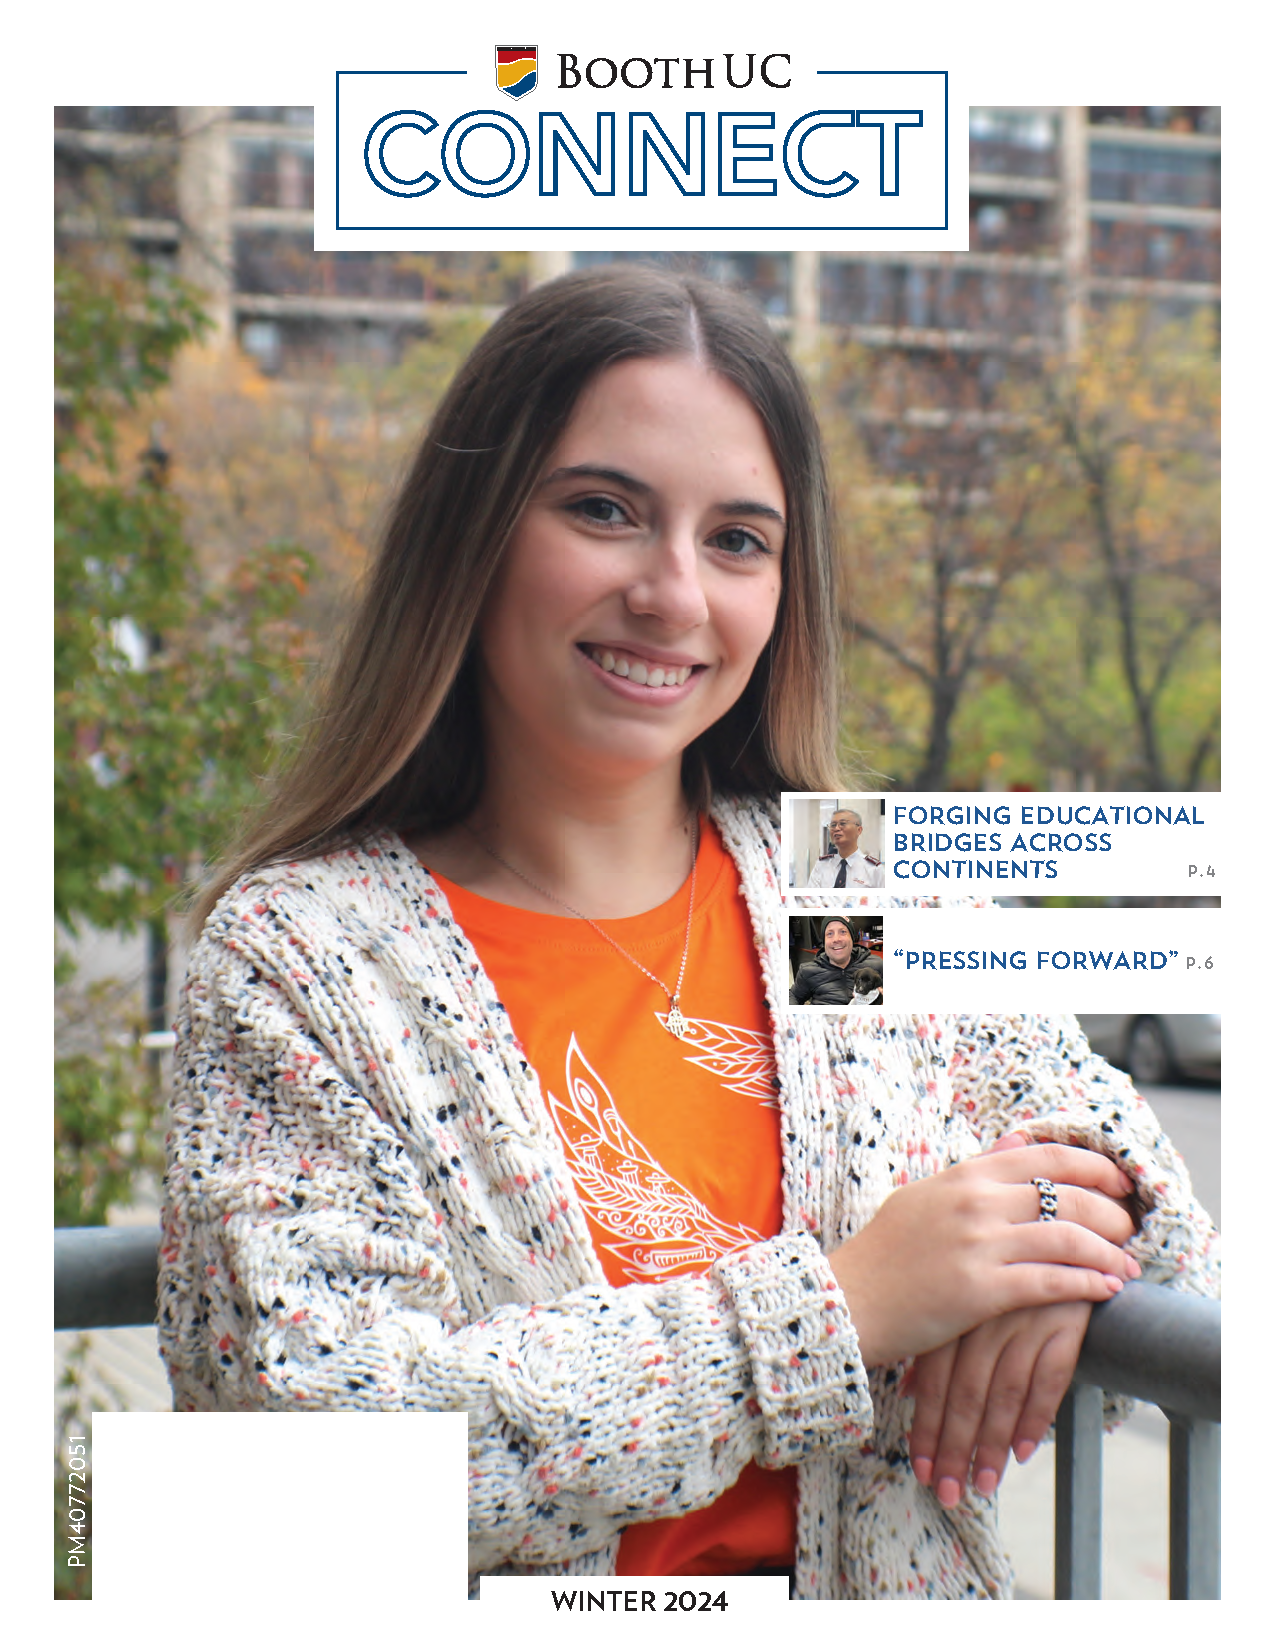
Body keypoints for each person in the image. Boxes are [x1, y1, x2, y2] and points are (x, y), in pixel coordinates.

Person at [159, 265, 1217, 1600]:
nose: (672, 594)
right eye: (603, 510)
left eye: (735, 539)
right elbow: (302, 1450)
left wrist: (1056, 1222)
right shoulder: (304, 958)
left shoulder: (844, 893)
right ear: (472, 532)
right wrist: (842, 1307)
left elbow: (1179, 1256)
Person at [789, 917, 871, 1004]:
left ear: (852, 937)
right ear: (824, 942)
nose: (836, 939)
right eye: (830, 934)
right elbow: (793, 996)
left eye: (843, 932)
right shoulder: (808, 971)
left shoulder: (876, 965)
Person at [805, 807, 885, 888]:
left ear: (859, 830)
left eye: (843, 824)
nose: (836, 828)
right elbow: (811, 898)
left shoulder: (874, 869)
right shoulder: (821, 865)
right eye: (833, 825)